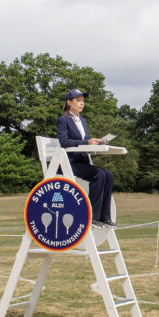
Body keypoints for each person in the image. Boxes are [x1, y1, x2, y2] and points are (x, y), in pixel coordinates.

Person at [56, 88, 115, 227]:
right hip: (69, 162)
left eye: (82, 101)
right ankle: (92, 217)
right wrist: (86, 142)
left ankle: (104, 217)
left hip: (83, 162)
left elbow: (86, 140)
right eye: (78, 101)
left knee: (108, 174)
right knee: (99, 175)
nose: (81, 103)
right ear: (69, 102)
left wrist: (98, 142)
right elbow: (64, 142)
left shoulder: (83, 121)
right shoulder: (63, 120)